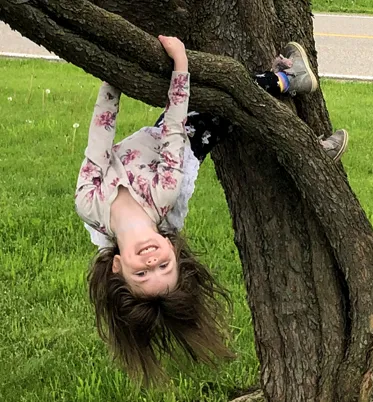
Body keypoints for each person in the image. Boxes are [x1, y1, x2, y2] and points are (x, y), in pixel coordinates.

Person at [75, 36, 348, 384]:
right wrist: (181, 66)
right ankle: (291, 86)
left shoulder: (89, 203)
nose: (150, 261)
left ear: (117, 267)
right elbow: (176, 129)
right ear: (172, 250)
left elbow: (100, 137)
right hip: (179, 148)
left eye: (143, 274)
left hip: (162, 138)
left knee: (229, 110)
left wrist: (111, 75)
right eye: (163, 266)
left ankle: (304, 147)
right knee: (227, 102)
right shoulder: (163, 194)